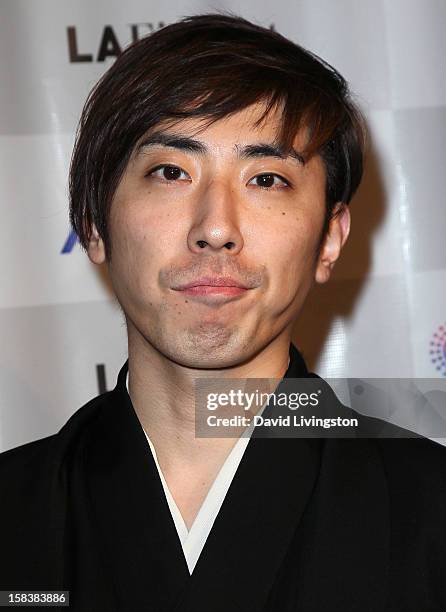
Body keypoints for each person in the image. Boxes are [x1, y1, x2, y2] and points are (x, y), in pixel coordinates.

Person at [1, 12, 445, 611]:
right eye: (170, 172)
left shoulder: (431, 509)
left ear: (331, 239)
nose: (215, 228)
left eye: (266, 179)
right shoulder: (14, 513)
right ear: (93, 223)